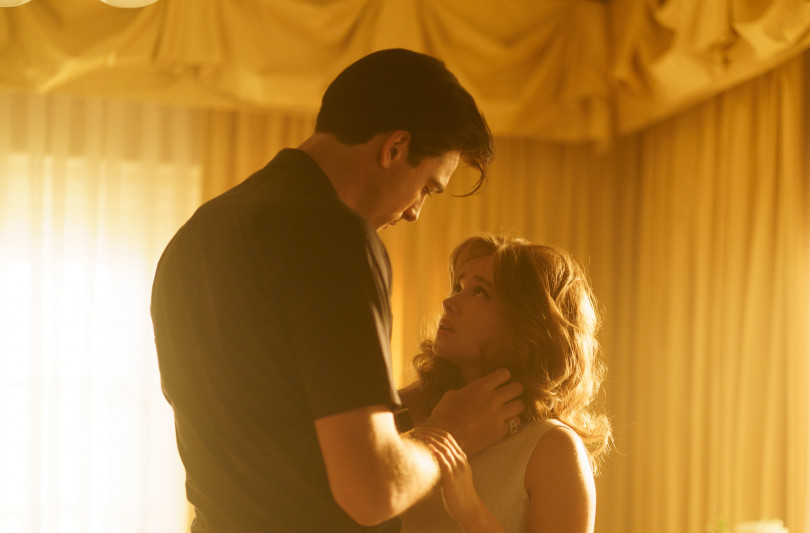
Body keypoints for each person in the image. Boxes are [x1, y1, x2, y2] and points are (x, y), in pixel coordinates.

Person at [150, 49, 525, 533]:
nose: (415, 212)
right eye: (428, 187)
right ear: (395, 148)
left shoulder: (197, 235)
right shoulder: (337, 238)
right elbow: (372, 492)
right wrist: (450, 433)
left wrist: (404, 408)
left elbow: (270, 424)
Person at [397, 234, 613, 533]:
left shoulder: (551, 448)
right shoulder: (417, 417)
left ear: (530, 326)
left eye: (480, 292)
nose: (448, 302)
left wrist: (470, 511)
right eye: (458, 287)